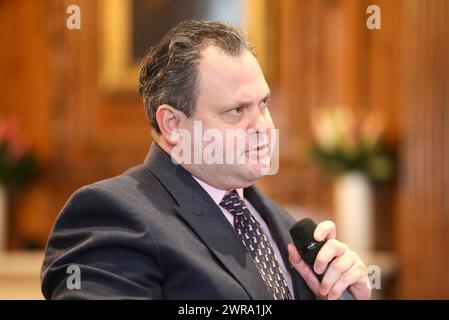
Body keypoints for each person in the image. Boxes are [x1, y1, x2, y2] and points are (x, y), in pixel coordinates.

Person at [41, 20, 371, 300]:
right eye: (236, 111)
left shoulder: (286, 227)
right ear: (173, 125)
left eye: (264, 104)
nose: (264, 128)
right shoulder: (111, 215)